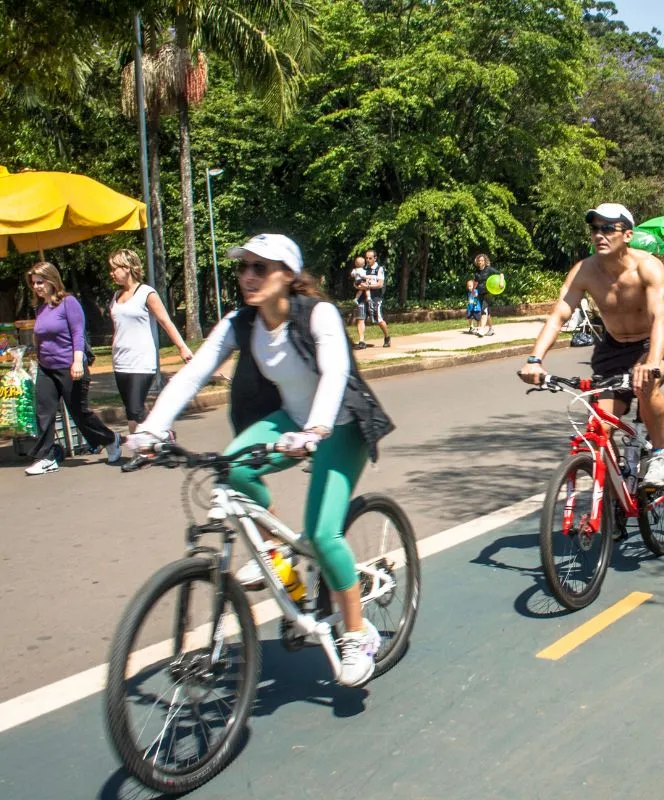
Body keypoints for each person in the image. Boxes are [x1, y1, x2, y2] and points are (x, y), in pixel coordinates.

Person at [126, 234, 395, 687]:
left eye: (259, 268)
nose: (247, 276)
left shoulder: (319, 314)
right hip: (290, 419)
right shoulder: (241, 322)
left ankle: (356, 633)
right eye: (243, 267)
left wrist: (316, 431)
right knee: (229, 469)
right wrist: (152, 429)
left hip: (340, 424)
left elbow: (335, 373)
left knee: (324, 534)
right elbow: (194, 372)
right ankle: (278, 551)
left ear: (287, 275)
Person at [518, 203, 664, 488]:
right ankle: (612, 501)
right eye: (595, 229)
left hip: (651, 343)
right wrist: (535, 359)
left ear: (627, 235)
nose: (599, 235)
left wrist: (653, 360)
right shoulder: (585, 271)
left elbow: (660, 319)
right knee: (600, 428)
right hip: (612, 349)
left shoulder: (648, 267)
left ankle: (659, 453)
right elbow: (558, 316)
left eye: (608, 228)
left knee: (645, 385)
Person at [23, 262, 122, 476]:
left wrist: (78, 361)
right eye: (34, 284)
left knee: (79, 412)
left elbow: (78, 333)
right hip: (46, 367)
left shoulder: (68, 303)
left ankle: (110, 439)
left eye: (40, 282)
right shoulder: (40, 308)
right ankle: (47, 458)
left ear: (52, 280)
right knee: (44, 412)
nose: (37, 287)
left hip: (70, 366)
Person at [107, 249, 194, 469]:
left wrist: (182, 349)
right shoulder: (116, 297)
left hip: (142, 360)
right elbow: (118, 328)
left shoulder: (146, 293)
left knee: (137, 408)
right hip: (120, 360)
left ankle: (156, 441)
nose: (112, 273)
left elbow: (166, 322)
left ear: (128, 268)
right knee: (130, 409)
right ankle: (146, 447)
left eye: (115, 268)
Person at [353, 250, 390, 350]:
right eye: (366, 258)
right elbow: (356, 282)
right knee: (360, 318)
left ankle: (387, 337)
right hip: (362, 298)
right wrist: (359, 286)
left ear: (375, 258)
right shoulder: (363, 269)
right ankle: (361, 341)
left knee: (378, 320)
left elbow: (380, 284)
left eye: (370, 258)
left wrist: (368, 286)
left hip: (375, 298)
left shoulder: (379, 269)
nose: (368, 260)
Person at [473, 254, 499, 336]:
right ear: (477, 262)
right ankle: (491, 329)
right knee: (487, 312)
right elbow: (476, 282)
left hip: (488, 293)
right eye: (479, 260)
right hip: (480, 293)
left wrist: (501, 282)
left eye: (482, 260)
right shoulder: (477, 271)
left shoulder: (489, 269)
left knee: (484, 310)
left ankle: (481, 329)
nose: (480, 262)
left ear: (485, 261)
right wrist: (473, 290)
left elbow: (500, 273)